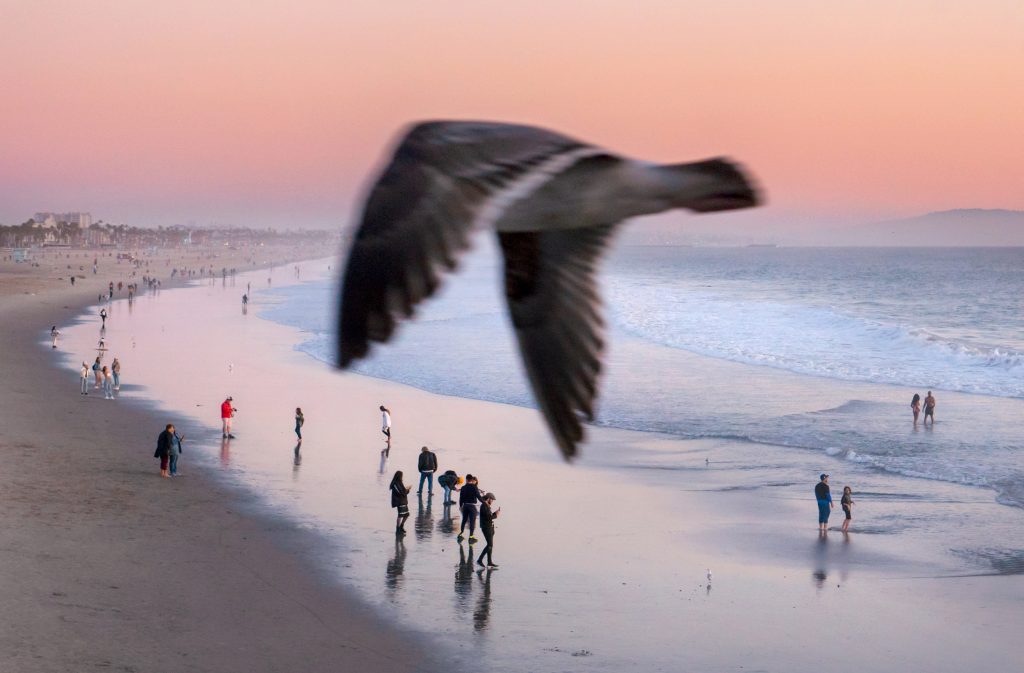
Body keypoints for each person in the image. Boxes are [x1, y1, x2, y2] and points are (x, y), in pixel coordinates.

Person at [477, 493, 501, 568]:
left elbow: (488, 516)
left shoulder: (486, 506)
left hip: (489, 527)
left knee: (490, 545)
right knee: (489, 545)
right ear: (488, 498)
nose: (492, 501)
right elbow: (488, 518)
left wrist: (495, 513)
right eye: (492, 500)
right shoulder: (484, 506)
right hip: (486, 528)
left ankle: (489, 562)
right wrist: (496, 515)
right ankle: (479, 560)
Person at [458, 474, 483, 543]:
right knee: (472, 521)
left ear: (466, 480)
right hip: (472, 506)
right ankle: (471, 538)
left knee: (464, 520)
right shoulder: (474, 487)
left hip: (465, 506)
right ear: (471, 480)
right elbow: (479, 497)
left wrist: (460, 506)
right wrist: (485, 503)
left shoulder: (463, 488)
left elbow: (461, 498)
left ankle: (461, 534)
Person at [389, 470, 411, 535]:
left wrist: (406, 489)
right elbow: (401, 492)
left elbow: (402, 491)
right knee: (400, 515)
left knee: (406, 514)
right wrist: (408, 490)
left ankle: (401, 526)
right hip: (400, 502)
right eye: (402, 476)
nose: (402, 477)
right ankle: (398, 528)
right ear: (399, 476)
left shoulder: (399, 482)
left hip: (403, 501)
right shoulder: (395, 483)